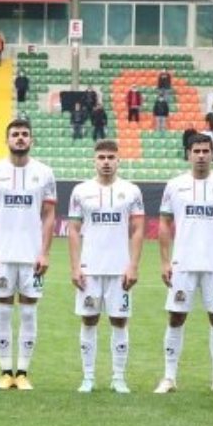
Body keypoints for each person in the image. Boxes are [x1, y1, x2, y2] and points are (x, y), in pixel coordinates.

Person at [155, 133, 213, 396]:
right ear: (188, 154)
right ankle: (169, 377)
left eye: (205, 151)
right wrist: (165, 261)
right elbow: (164, 223)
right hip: (183, 263)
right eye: (196, 151)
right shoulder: (174, 186)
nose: (201, 155)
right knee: (176, 317)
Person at [0, 120, 57, 390]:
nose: (20, 138)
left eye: (24, 134)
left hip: (32, 255)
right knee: (2, 311)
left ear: (31, 140)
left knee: (28, 313)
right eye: (15, 134)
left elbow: (49, 215)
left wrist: (44, 252)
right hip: (2, 254)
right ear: (7, 139)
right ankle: (5, 372)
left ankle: (22, 373)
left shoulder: (45, 173)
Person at [67, 140, 144, 394]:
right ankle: (88, 378)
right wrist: (75, 266)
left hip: (119, 269)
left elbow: (138, 230)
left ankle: (118, 378)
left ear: (119, 160)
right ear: (94, 160)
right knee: (88, 320)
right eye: (102, 157)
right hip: (90, 268)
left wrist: (133, 265)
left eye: (111, 157)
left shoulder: (131, 191)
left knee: (120, 321)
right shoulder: (81, 191)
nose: (106, 162)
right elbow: (74, 230)